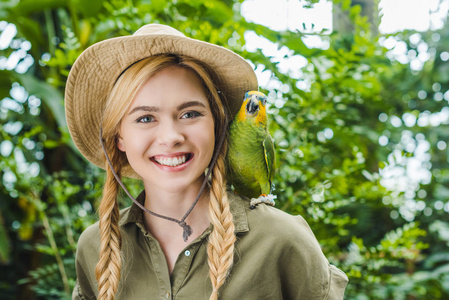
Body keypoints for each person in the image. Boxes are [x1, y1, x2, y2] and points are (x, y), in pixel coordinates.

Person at [65, 24, 348, 300]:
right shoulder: (96, 248)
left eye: (189, 114)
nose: (171, 136)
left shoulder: (281, 240)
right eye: (145, 118)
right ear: (119, 138)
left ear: (217, 125)